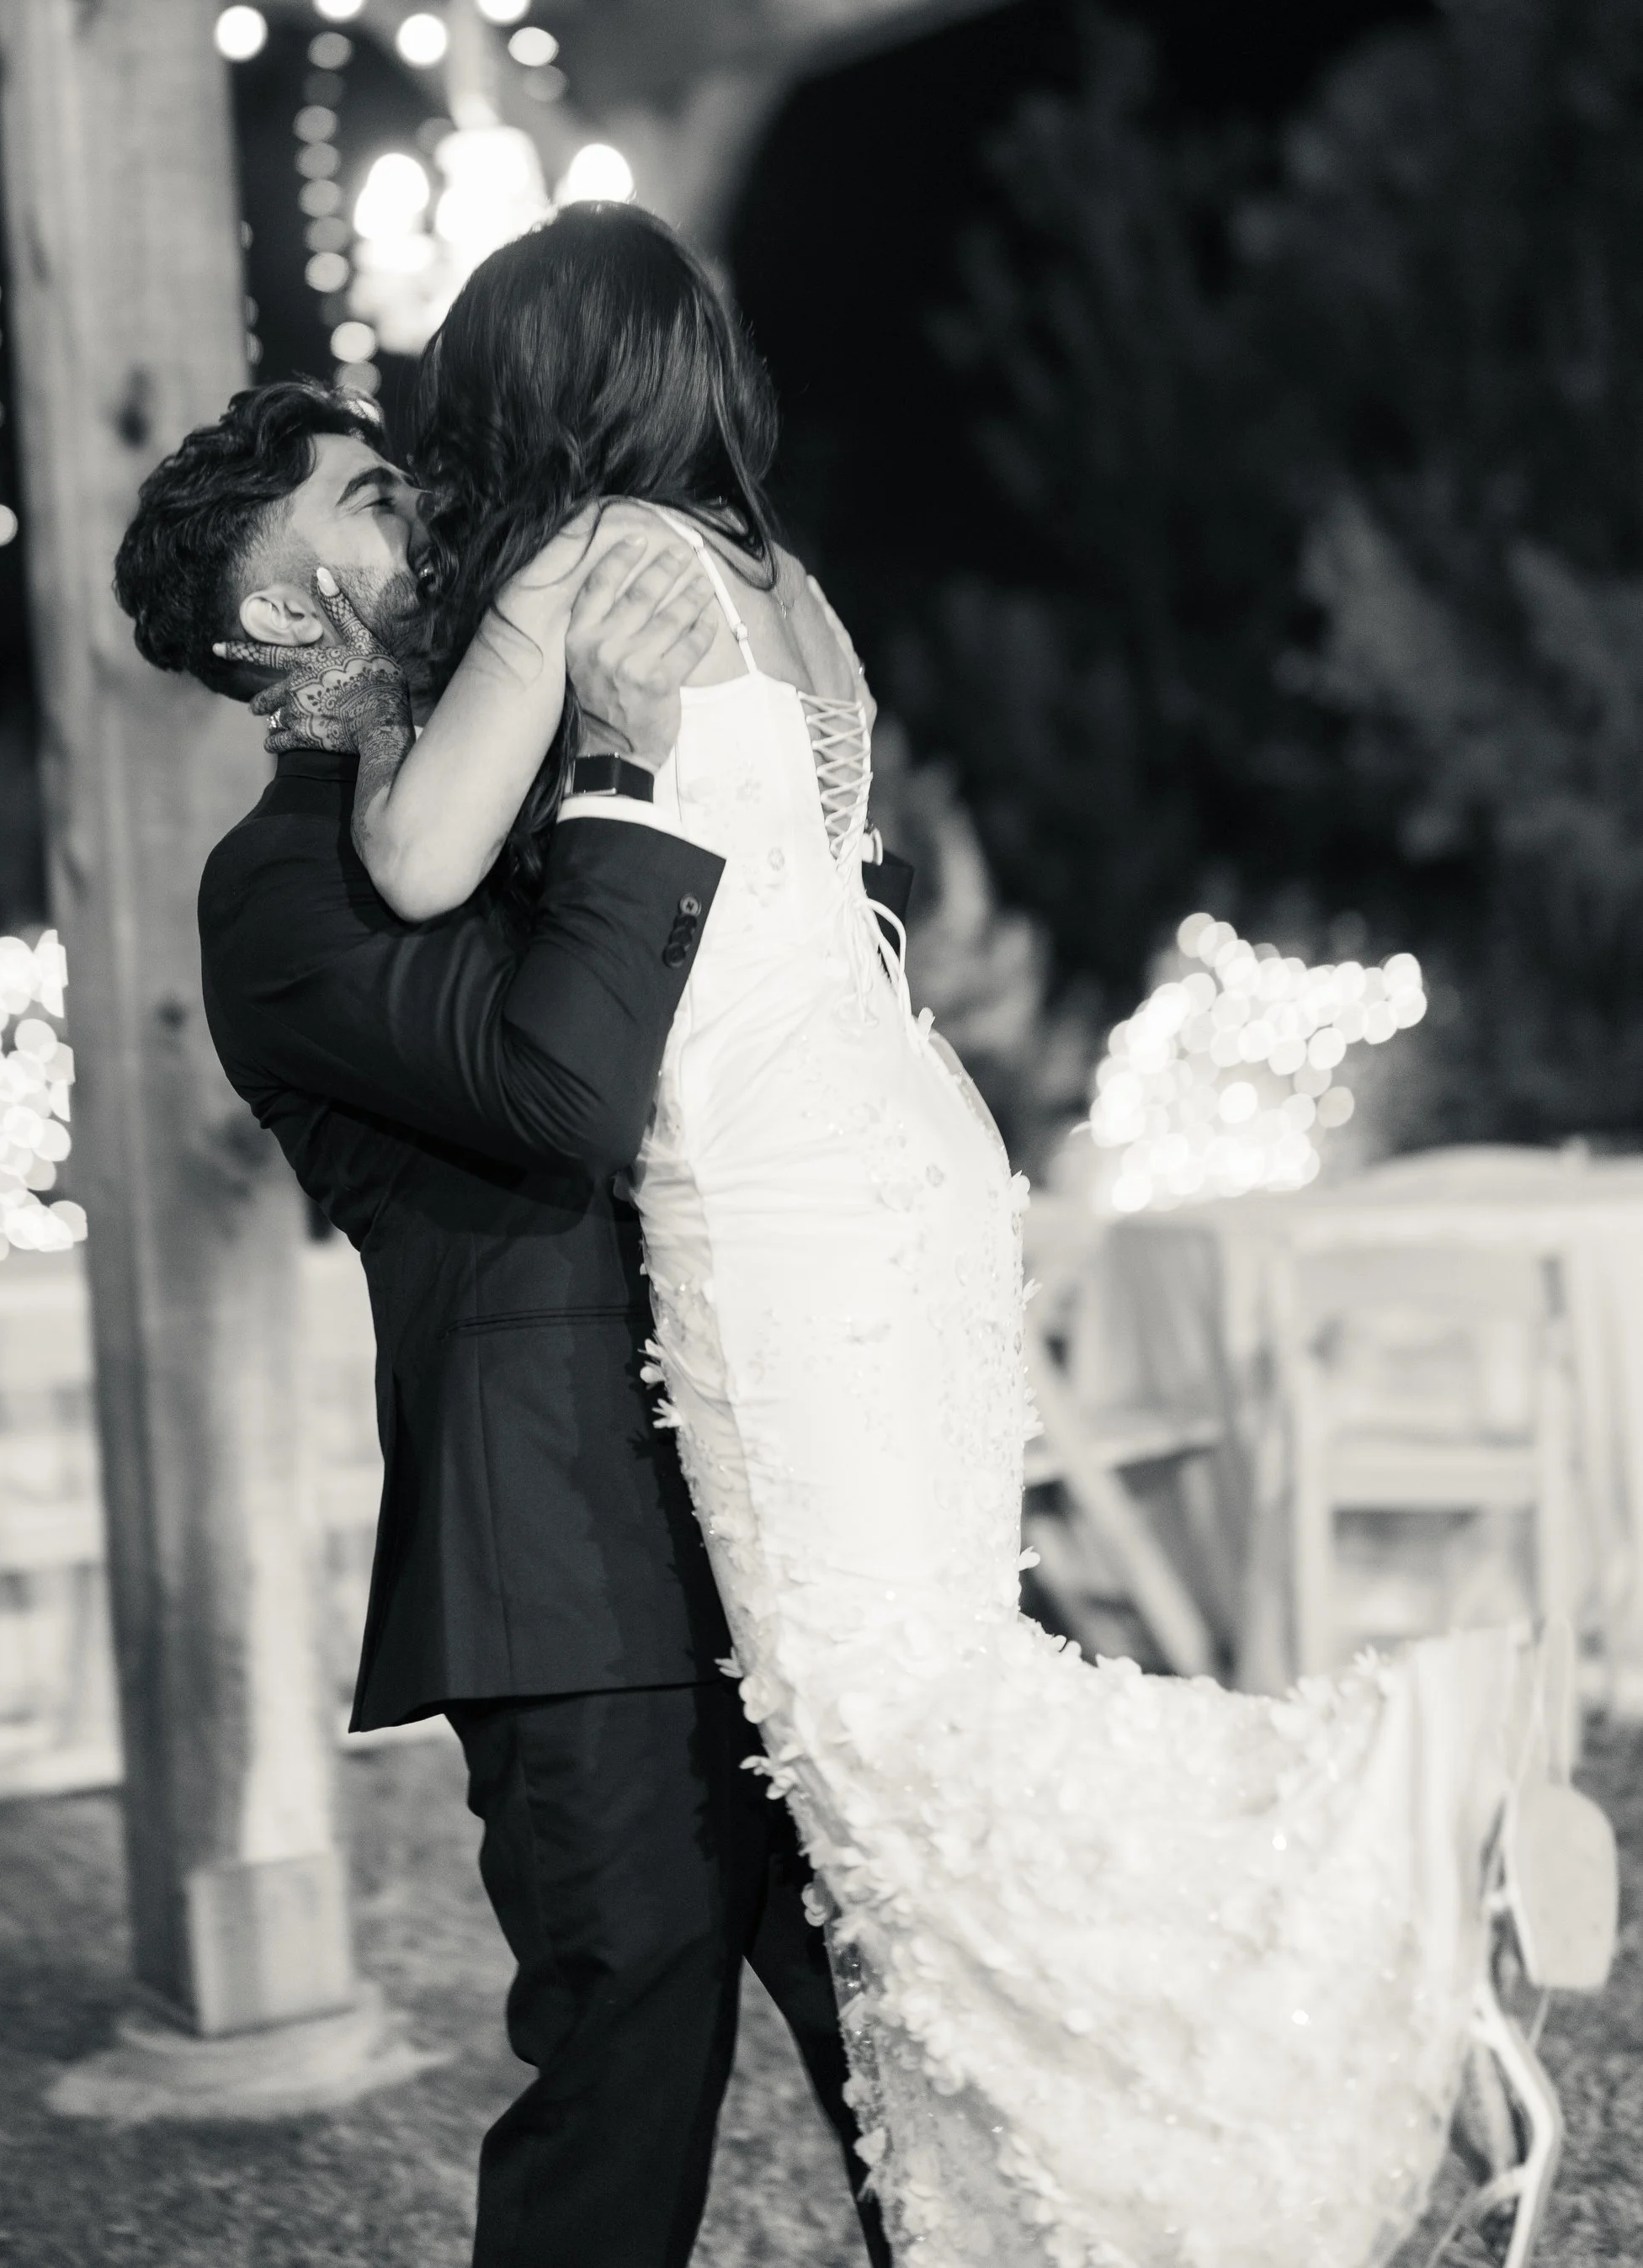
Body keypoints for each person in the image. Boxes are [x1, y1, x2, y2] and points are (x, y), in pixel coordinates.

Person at [260, 204, 1614, 2268]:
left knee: (890, 1728)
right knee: (931, 1699)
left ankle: (1385, 1827)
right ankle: (1376, 1930)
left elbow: (419, 854)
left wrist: (456, 691)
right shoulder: (788, 587)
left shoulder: (577, 563)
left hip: (781, 1188)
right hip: (904, 1145)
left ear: (536, 391)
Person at [112, 378, 892, 2268]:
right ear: (280, 616)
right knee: (635, 2054)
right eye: (370, 501)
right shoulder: (280, 898)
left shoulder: (509, 769)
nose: (432, 515)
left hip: (793, 1469)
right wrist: (627, 770)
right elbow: (562, 1100)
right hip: (567, 1556)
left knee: (914, 2012)